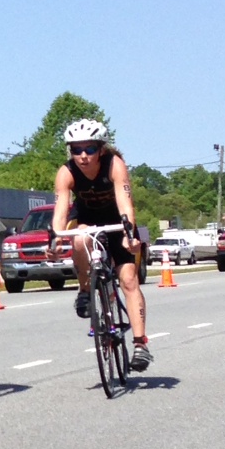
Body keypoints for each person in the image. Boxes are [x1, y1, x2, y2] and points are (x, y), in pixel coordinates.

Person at [51, 118, 151, 370]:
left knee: (128, 279)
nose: (83, 156)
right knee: (80, 238)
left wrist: (129, 234)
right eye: (76, 150)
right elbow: (61, 212)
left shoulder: (114, 165)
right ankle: (85, 290)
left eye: (90, 149)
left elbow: (125, 204)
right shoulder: (66, 172)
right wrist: (54, 236)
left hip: (117, 221)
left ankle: (140, 345)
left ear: (101, 149)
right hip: (87, 219)